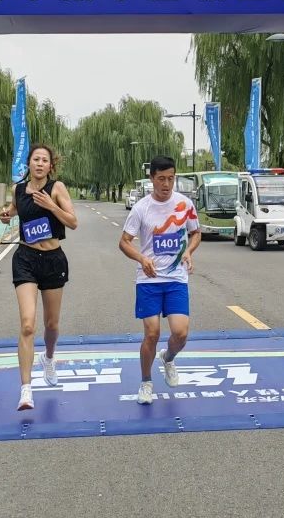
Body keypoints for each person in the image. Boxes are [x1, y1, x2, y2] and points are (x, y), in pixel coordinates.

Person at [118, 156, 201, 405]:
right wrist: (142, 258)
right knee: (152, 333)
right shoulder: (141, 208)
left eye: (171, 179)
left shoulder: (185, 204)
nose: (166, 184)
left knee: (181, 333)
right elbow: (124, 242)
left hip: (176, 278)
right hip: (149, 280)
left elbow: (196, 232)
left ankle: (168, 358)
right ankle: (146, 382)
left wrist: (189, 251)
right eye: (161, 179)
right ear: (152, 178)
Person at [0, 144, 77, 410]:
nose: (40, 163)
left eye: (45, 160)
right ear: (29, 164)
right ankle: (26, 390)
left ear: (50, 166)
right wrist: (7, 215)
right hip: (25, 259)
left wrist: (51, 205)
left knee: (51, 325)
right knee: (28, 324)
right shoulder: (18, 189)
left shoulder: (57, 188)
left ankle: (49, 357)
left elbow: (73, 222)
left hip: (53, 260)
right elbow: (15, 209)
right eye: (36, 159)